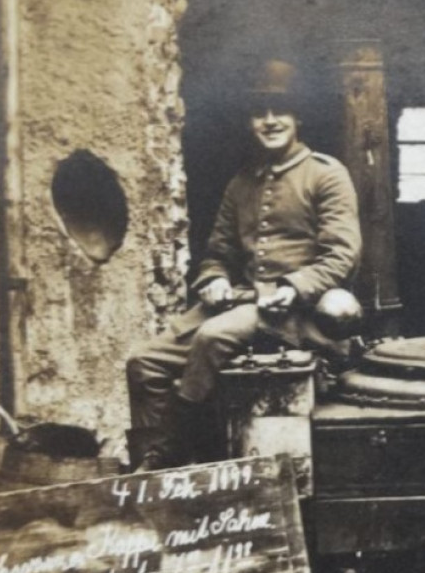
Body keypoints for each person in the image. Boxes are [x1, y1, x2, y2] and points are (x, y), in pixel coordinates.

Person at [125, 60, 363, 471]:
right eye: (259, 113)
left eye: (280, 111)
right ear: (250, 121)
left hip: (300, 313)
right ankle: (150, 462)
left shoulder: (326, 175)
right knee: (144, 361)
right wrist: (213, 279)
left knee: (213, 337)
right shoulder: (241, 183)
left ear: (298, 117)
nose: (270, 121)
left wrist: (294, 287)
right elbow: (217, 253)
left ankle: (175, 453)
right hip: (244, 304)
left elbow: (342, 254)